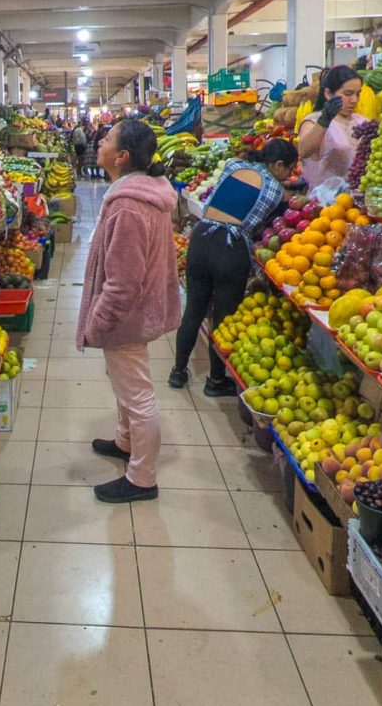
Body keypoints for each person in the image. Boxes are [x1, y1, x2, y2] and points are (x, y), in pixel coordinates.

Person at [76, 119, 182, 504]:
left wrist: (98, 323)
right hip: (139, 312)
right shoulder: (143, 193)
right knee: (126, 385)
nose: (99, 143)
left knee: (137, 395)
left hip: (126, 318)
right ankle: (125, 442)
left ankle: (142, 478)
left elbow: (122, 283)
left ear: (121, 156)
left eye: (106, 139)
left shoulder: (128, 207)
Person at [169, 139, 299, 396]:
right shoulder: (273, 188)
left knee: (194, 309)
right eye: (289, 170)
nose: (289, 176)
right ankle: (215, 381)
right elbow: (255, 224)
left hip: (202, 238)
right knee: (223, 317)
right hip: (230, 249)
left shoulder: (235, 165)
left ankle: (178, 370)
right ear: (279, 165)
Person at [297, 66, 366, 191]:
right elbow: (303, 151)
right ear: (328, 94)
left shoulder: (362, 121)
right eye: (348, 94)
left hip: (357, 200)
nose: (354, 100)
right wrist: (325, 119)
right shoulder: (313, 121)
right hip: (325, 203)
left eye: (358, 94)